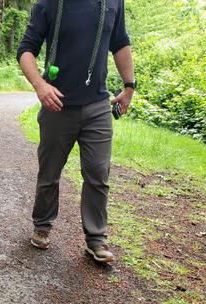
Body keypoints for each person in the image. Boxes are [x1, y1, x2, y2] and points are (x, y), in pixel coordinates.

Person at [17, 0, 135, 263]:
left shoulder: (113, 2)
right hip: (57, 105)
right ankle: (43, 225)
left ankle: (96, 239)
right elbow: (26, 50)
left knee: (97, 172)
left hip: (98, 104)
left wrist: (129, 86)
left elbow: (120, 42)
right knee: (50, 171)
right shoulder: (47, 4)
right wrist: (40, 85)